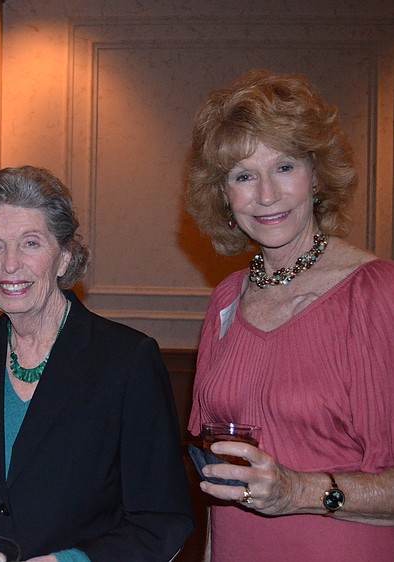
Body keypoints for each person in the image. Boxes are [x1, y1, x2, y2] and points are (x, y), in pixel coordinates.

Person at [0, 166, 193, 562]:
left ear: (64, 257)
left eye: (31, 243)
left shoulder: (126, 360)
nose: (11, 265)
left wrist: (69, 561)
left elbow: (162, 519)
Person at [185, 69, 394, 561]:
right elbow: (224, 484)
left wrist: (295, 491)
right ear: (223, 195)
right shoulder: (226, 300)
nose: (265, 195)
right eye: (243, 175)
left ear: (316, 175)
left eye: (284, 167)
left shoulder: (375, 292)